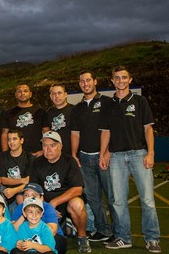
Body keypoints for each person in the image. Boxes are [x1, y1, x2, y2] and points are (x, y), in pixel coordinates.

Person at [99, 66, 161, 253]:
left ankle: (152, 239)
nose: (120, 81)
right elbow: (105, 132)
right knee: (118, 201)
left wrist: (150, 153)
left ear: (130, 80)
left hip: (138, 154)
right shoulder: (108, 105)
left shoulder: (140, 101)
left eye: (124, 77)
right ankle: (123, 238)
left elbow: (148, 129)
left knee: (148, 200)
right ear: (112, 81)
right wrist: (103, 153)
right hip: (116, 157)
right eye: (117, 78)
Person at [71, 71, 115, 243]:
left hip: (103, 157)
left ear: (95, 81)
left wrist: (107, 153)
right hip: (85, 158)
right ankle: (103, 230)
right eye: (82, 81)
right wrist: (74, 154)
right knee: (92, 197)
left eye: (88, 80)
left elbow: (113, 130)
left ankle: (118, 232)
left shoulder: (107, 102)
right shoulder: (77, 108)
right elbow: (75, 133)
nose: (85, 83)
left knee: (112, 197)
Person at [29, 131, 90, 253]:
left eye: (52, 145)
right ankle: (66, 226)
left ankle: (82, 236)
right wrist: (45, 206)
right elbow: (34, 189)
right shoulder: (37, 163)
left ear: (60, 146)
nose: (48, 149)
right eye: (45, 145)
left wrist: (54, 202)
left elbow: (78, 189)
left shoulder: (69, 161)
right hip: (46, 203)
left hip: (65, 201)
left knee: (77, 205)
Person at [12, 183, 67, 254]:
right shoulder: (20, 208)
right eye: (26, 195)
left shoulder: (48, 207)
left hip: (51, 236)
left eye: (33, 195)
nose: (29, 198)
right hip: (29, 238)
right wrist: (25, 213)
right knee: (15, 250)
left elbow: (52, 231)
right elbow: (13, 231)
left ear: (41, 198)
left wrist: (33, 245)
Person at [0, 84, 49, 155]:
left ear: (30, 94)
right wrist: (5, 155)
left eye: (25, 91)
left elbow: (47, 133)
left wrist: (44, 151)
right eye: (19, 91)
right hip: (16, 156)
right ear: (16, 95)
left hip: (36, 154)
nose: (22, 93)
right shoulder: (9, 113)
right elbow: (4, 135)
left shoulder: (40, 111)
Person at [0, 129, 33, 212]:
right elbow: (3, 180)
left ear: (21, 140)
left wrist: (15, 190)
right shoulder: (2, 157)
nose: (11, 142)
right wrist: (22, 180)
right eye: (9, 139)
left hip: (24, 191)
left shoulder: (30, 158)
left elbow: (30, 182)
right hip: (6, 191)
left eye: (14, 139)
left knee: (20, 198)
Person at [47, 84, 73, 156]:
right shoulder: (49, 112)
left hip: (73, 154)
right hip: (56, 154)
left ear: (65, 95)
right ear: (50, 97)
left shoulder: (74, 110)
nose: (57, 96)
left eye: (59, 93)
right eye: (53, 94)